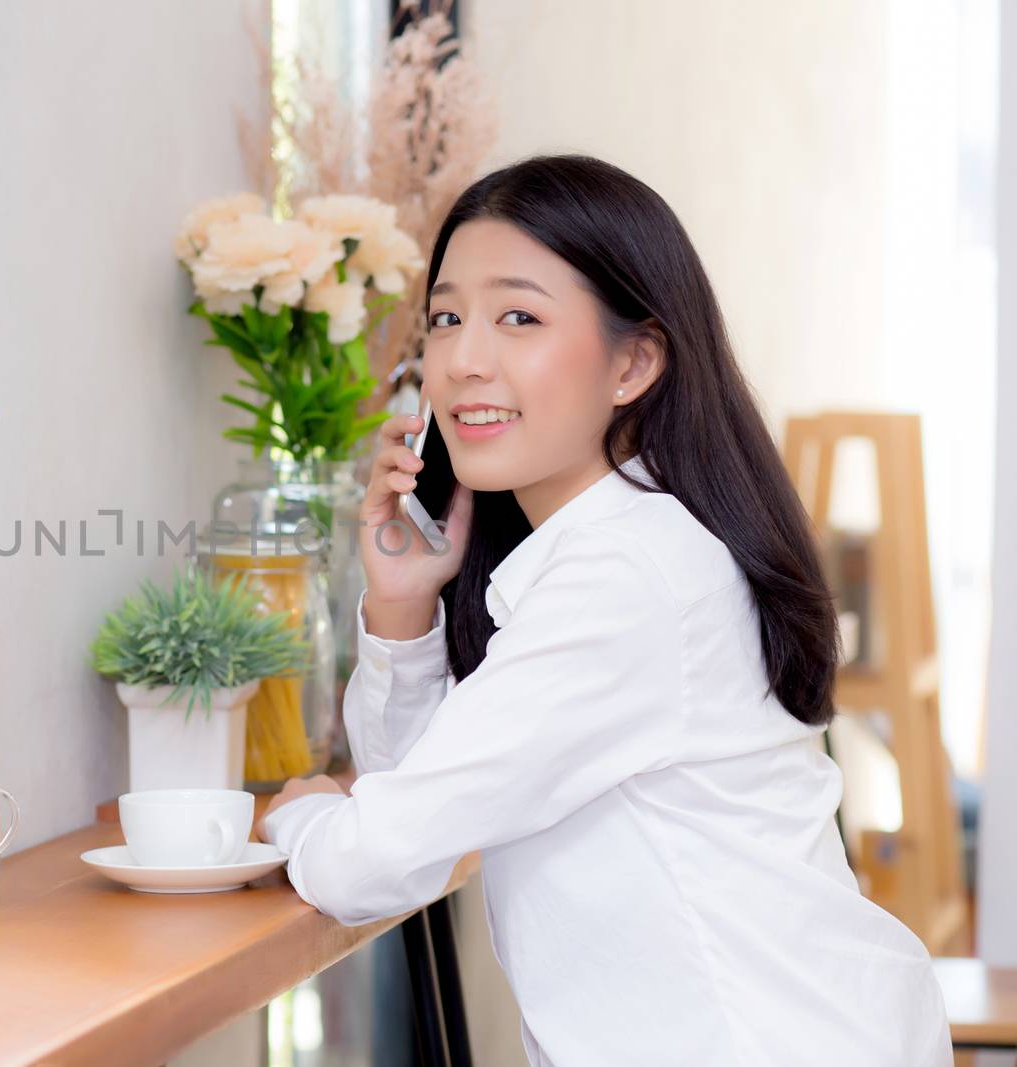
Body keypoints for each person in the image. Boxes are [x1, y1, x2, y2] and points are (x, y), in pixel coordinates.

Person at [257, 154, 951, 1066]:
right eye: (446, 317)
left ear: (634, 361)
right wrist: (402, 606)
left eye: (518, 317)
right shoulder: (611, 551)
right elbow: (424, 801)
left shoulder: (627, 580)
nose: (464, 360)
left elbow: (374, 856)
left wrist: (298, 815)